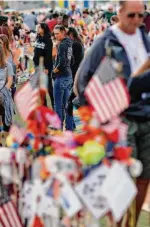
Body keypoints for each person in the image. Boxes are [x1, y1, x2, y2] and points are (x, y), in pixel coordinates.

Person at [76, 1, 150, 226]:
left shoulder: (143, 37)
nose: (137, 20)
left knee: (144, 177)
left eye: (141, 15)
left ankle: (131, 223)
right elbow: (84, 81)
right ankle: (118, 224)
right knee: (121, 181)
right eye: (132, 15)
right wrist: (99, 117)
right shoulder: (105, 41)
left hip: (146, 115)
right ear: (119, 13)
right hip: (120, 119)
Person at [52, 25, 73, 130]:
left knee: (58, 105)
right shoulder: (69, 42)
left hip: (61, 77)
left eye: (57, 33)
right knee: (66, 104)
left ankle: (58, 128)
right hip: (68, 76)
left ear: (63, 32)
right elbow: (71, 60)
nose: (56, 36)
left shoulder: (62, 45)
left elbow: (62, 62)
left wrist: (54, 71)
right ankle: (69, 127)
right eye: (54, 34)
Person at [66, 27, 84, 130]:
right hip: (76, 74)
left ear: (71, 35)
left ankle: (71, 127)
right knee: (72, 102)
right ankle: (72, 126)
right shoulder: (79, 43)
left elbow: (72, 62)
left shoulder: (75, 45)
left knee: (71, 103)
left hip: (74, 74)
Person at [33, 22, 54, 108]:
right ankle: (44, 107)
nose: (38, 29)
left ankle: (54, 105)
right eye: (37, 28)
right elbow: (36, 52)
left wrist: (47, 68)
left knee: (49, 88)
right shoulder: (38, 39)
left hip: (45, 68)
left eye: (39, 28)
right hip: (38, 67)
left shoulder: (48, 40)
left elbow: (48, 56)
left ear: (44, 29)